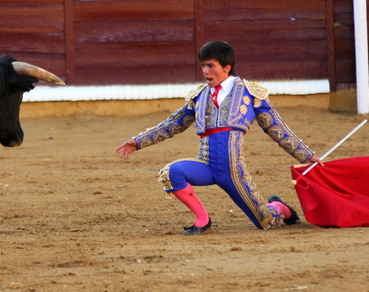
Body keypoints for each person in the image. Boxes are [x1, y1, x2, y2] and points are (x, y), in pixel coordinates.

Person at [116, 40, 322, 234]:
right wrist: (139, 141)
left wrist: (305, 155)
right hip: (205, 165)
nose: (205, 71)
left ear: (227, 67)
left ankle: (279, 207)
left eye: (210, 66)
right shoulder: (199, 96)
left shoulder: (250, 93)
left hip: (233, 170)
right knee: (171, 172)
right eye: (203, 66)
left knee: (266, 222)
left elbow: (276, 127)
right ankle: (202, 219)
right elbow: (173, 124)